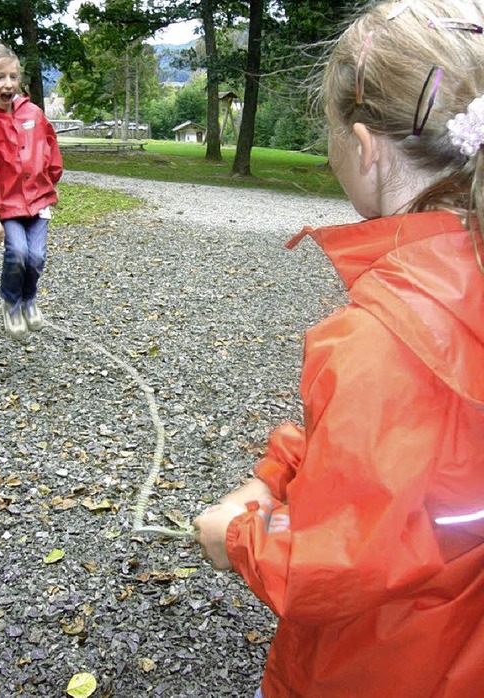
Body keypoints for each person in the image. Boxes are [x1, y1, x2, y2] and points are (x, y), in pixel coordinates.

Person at [193, 1, 484, 696]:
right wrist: (278, 468)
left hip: (380, 667)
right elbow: (419, 461)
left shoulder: (382, 336)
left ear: (364, 145)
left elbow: (347, 563)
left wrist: (236, 539)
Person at [0, 42, 63, 340]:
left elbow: (50, 147)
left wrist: (52, 180)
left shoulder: (32, 111)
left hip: (38, 201)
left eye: (13, 76)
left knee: (36, 257)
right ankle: (11, 301)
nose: (8, 84)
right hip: (7, 205)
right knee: (18, 252)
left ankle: (29, 298)